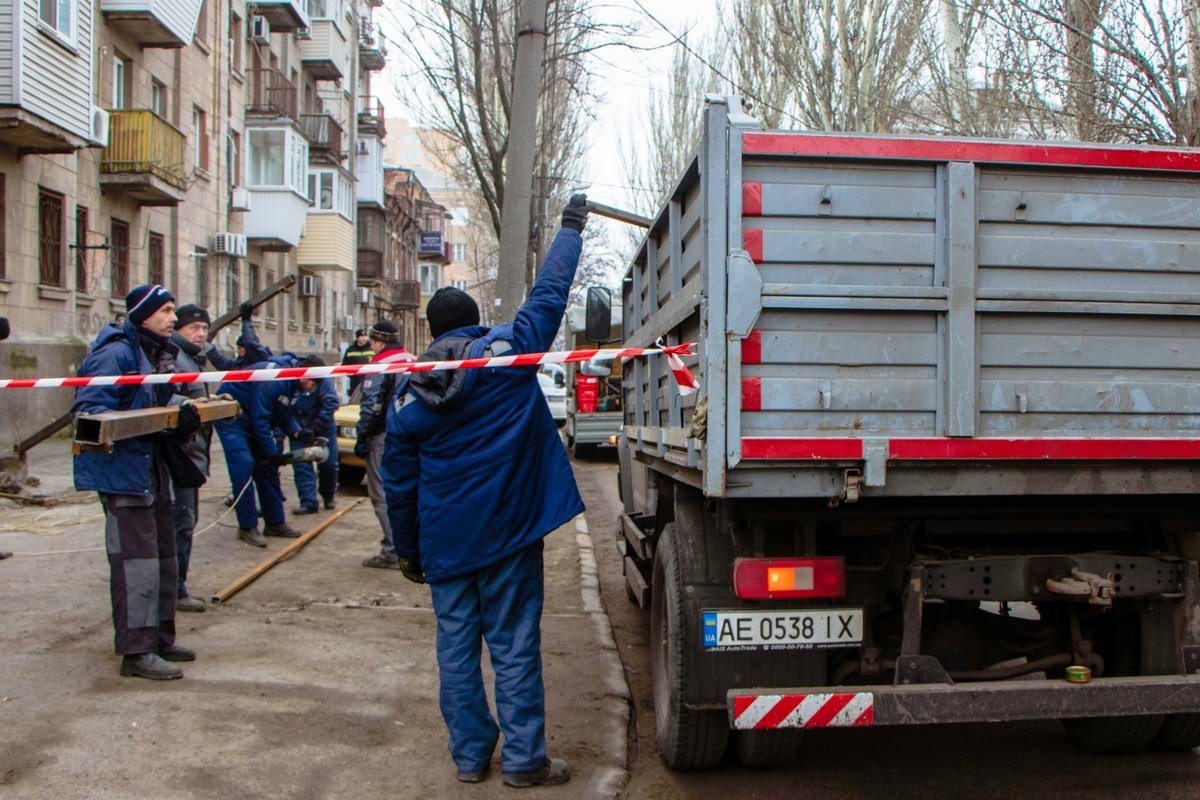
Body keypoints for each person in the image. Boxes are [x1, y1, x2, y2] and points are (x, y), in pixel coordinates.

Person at [380, 194, 590, 787]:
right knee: (515, 645)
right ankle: (525, 762)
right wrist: (570, 228)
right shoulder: (508, 357)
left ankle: (471, 757)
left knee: (455, 650)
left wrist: (408, 551)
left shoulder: (407, 398)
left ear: (431, 331)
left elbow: (398, 483)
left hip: (445, 544)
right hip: (509, 537)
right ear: (475, 321)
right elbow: (550, 294)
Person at [72, 284, 200, 680]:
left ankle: (160, 637)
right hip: (124, 474)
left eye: (173, 310)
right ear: (142, 314)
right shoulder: (115, 354)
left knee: (163, 555)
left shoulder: (155, 353)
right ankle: (136, 652)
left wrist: (181, 413)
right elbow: (89, 414)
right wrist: (151, 421)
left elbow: (155, 402)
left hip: (152, 468)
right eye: (164, 310)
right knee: (136, 564)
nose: (173, 319)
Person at [168, 302, 268, 612]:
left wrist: (210, 401)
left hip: (190, 452)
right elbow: (164, 401)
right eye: (193, 328)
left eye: (203, 329)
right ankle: (174, 591)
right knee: (179, 524)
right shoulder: (174, 358)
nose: (200, 334)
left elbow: (189, 397)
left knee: (185, 522)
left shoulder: (190, 358)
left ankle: (174, 587)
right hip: (177, 454)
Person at [214, 354, 308, 547]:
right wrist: (272, 453)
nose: (313, 389)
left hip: (254, 420)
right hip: (233, 419)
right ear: (304, 375)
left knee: (267, 469)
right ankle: (247, 526)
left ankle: (275, 522)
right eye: (314, 384)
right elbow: (261, 418)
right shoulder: (274, 377)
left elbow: (282, 413)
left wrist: (297, 432)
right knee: (244, 467)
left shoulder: (293, 384)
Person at [355, 321, 415, 569]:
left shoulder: (380, 366)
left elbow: (371, 406)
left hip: (383, 435)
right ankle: (412, 547)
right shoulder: (413, 359)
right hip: (412, 435)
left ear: (378, 341)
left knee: (381, 493)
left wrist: (362, 436)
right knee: (409, 492)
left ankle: (392, 550)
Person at [287, 359, 340, 514]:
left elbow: (331, 403)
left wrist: (316, 427)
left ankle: (328, 494)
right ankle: (308, 502)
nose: (303, 381)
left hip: (323, 425)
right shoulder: (290, 381)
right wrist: (296, 430)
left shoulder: (324, 380)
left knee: (329, 463)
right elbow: (284, 411)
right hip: (299, 426)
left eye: (308, 380)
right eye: (302, 378)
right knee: (301, 463)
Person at [342, 328, 374, 397]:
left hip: (370, 381)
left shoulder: (372, 348)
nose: (364, 338)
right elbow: (344, 365)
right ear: (357, 338)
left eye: (365, 336)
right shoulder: (350, 350)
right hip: (355, 383)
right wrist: (353, 376)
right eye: (361, 336)